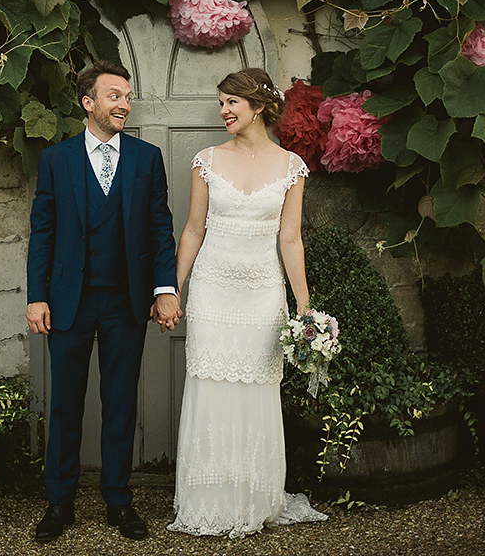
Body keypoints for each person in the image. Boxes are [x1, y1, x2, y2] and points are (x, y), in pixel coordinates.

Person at [167, 67, 328, 538]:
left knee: (256, 392)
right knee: (211, 388)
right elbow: (193, 229)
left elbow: (291, 238)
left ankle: (254, 497)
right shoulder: (207, 160)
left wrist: (303, 306)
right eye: (221, 103)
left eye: (231, 103)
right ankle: (208, 501)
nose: (223, 112)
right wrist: (174, 289)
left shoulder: (291, 166)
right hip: (213, 290)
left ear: (258, 106)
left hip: (261, 295)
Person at [25, 61, 182, 543]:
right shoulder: (57, 159)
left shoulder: (146, 157)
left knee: (119, 404)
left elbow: (160, 227)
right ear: (88, 103)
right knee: (66, 406)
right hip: (68, 301)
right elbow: (43, 233)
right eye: (114, 95)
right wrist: (37, 297)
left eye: (127, 96)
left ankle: (119, 501)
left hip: (126, 303)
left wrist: (165, 288)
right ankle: (60, 503)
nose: (124, 104)